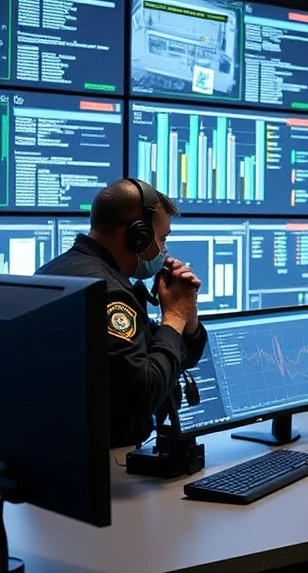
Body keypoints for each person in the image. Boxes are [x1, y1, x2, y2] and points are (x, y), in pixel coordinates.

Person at [36, 179, 207, 448]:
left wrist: (187, 316)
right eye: (162, 238)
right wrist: (173, 318)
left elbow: (175, 356)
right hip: (109, 465)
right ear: (138, 236)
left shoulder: (60, 270)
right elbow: (143, 394)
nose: (164, 251)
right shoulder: (107, 293)